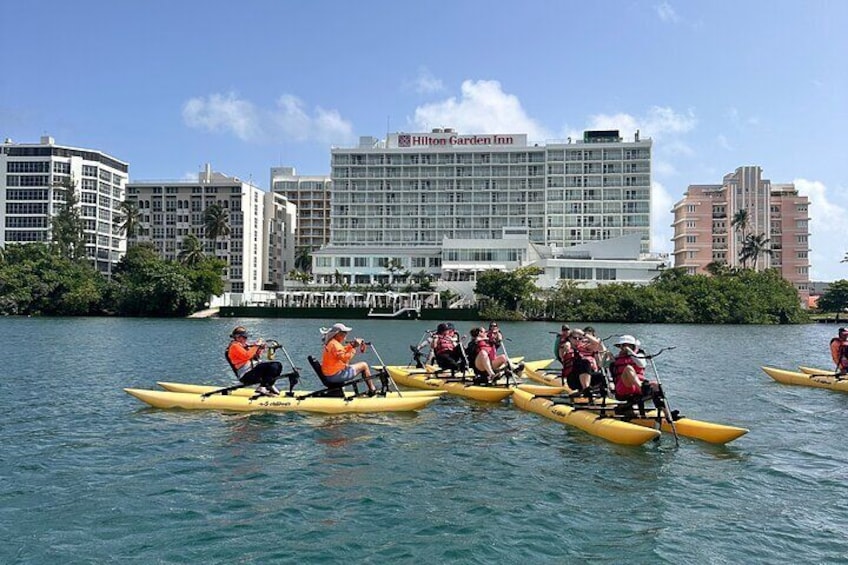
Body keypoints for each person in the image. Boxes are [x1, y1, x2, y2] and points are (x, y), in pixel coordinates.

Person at [610, 334, 663, 415]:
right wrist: (606, 356)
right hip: (623, 387)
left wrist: (631, 352)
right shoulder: (617, 357)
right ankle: (642, 390)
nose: (622, 348)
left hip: (637, 385)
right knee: (628, 368)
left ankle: (667, 414)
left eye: (624, 345)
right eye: (620, 346)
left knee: (656, 384)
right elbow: (602, 365)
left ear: (632, 346)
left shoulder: (639, 355)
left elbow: (642, 364)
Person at [320, 323, 377, 395]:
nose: (346, 335)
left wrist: (352, 345)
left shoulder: (333, 343)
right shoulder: (335, 345)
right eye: (344, 333)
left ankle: (371, 389)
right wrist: (354, 348)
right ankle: (372, 389)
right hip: (334, 376)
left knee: (360, 365)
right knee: (364, 365)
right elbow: (344, 358)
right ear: (338, 334)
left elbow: (342, 351)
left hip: (331, 374)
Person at [225, 326, 283, 396]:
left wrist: (259, 348)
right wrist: (256, 345)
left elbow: (255, 356)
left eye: (246, 337)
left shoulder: (244, 346)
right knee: (273, 366)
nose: (246, 339)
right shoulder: (234, 346)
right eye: (244, 337)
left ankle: (268, 385)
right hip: (246, 375)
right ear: (237, 337)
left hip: (253, 371)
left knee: (278, 365)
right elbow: (246, 356)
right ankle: (262, 387)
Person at [560, 328, 606, 396]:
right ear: (569, 338)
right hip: (573, 379)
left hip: (588, 377)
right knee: (584, 362)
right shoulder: (565, 346)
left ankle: (598, 394)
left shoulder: (584, 347)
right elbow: (563, 350)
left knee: (600, 376)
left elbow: (596, 343)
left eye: (580, 338)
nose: (577, 340)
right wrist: (566, 345)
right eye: (575, 338)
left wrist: (584, 334)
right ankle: (586, 389)